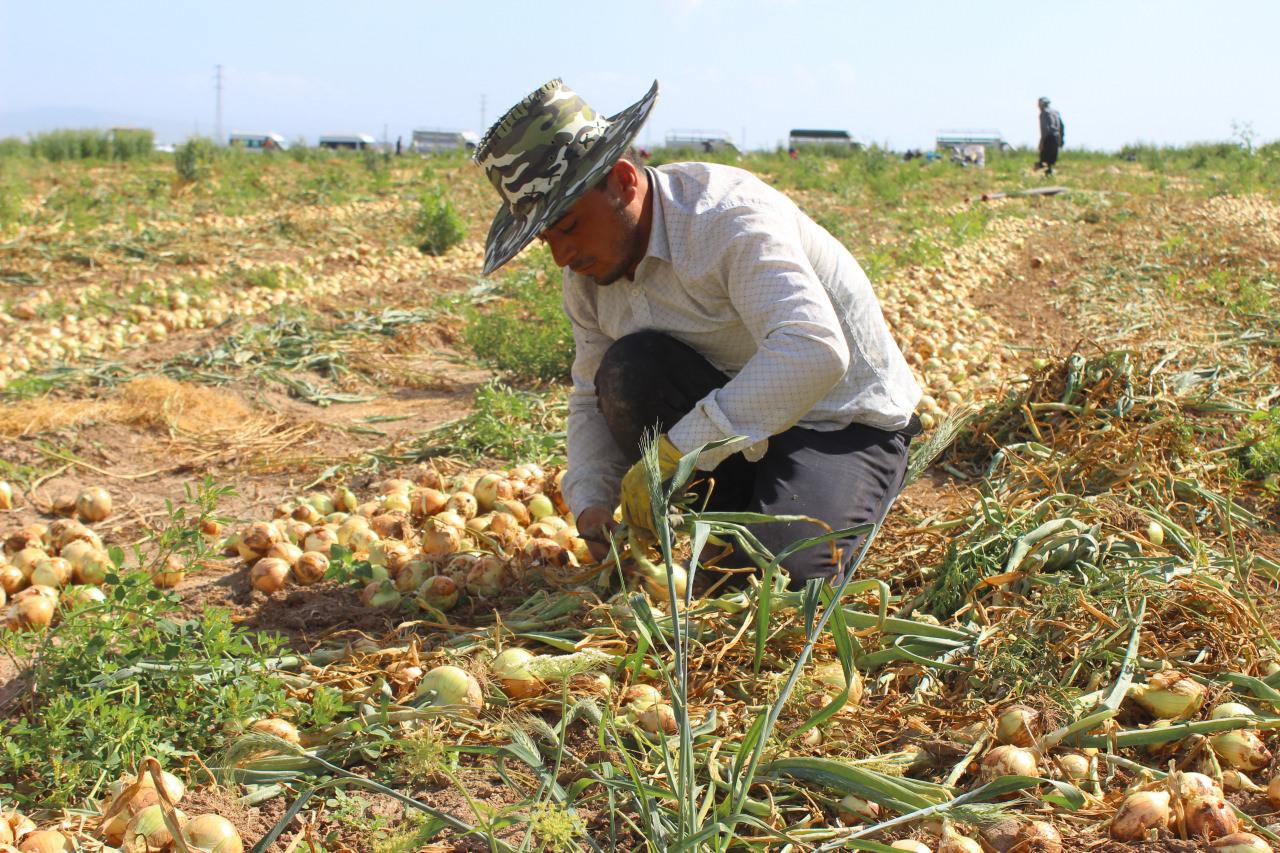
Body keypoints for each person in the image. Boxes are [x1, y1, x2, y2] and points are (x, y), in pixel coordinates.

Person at [473, 79, 921, 590]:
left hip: (840, 421)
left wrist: (675, 452)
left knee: (775, 586)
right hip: (737, 417)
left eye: (570, 227)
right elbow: (587, 395)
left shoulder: (726, 220)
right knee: (626, 371)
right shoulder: (587, 275)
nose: (562, 256)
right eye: (546, 240)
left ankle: (820, 496)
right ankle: (740, 498)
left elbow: (813, 350)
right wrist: (592, 502)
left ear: (622, 181)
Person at [1035, 97, 1065, 176]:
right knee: (1050, 161)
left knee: (1044, 161)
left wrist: (1042, 142)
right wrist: (1061, 139)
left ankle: (1032, 172)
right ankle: (1048, 176)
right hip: (1056, 137)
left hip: (1048, 138)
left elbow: (1045, 129)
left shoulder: (1044, 113)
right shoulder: (1056, 112)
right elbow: (1062, 126)